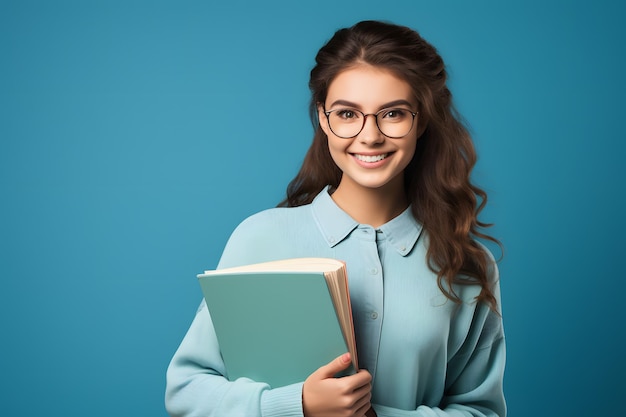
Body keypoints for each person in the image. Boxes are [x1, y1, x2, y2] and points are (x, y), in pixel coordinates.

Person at [165, 20, 506, 417]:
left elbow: (482, 411)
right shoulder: (258, 239)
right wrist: (298, 405)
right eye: (347, 114)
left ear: (422, 121)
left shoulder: (467, 262)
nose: (370, 136)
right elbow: (186, 391)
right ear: (324, 119)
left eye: (393, 113)